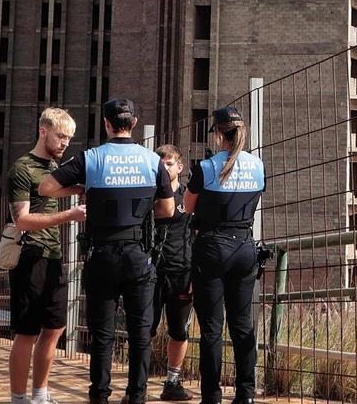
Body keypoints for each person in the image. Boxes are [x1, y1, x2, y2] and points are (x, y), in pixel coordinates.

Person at [39, 98, 174, 404]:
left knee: (102, 333)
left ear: (107, 124)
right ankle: (136, 396)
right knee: (141, 332)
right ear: (135, 124)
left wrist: (79, 189)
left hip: (101, 255)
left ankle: (99, 395)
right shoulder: (152, 161)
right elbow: (167, 208)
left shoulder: (91, 158)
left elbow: (46, 187)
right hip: (139, 253)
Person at [183, 106, 266, 404]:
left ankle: (211, 397)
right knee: (243, 325)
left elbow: (188, 207)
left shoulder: (205, 168)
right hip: (245, 247)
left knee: (212, 329)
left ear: (218, 134)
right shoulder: (258, 166)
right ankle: (246, 394)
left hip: (212, 248)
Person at [6, 107, 87, 404]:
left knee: (55, 328)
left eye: (69, 138)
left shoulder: (56, 169)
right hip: (29, 256)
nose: (65, 143)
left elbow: (63, 190)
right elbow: (22, 220)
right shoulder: (22, 168)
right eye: (61, 136)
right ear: (43, 131)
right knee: (27, 332)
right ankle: (18, 398)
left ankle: (40, 395)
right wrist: (69, 215)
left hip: (54, 256)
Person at [151, 144, 193, 401]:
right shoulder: (148, 196)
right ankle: (138, 383)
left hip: (182, 272)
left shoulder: (189, 199)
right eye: (161, 164)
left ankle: (173, 382)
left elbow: (198, 236)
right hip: (151, 272)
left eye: (169, 163)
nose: (165, 168)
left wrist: (196, 275)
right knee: (145, 328)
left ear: (180, 167)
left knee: (179, 330)